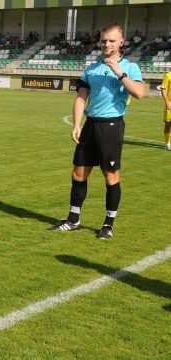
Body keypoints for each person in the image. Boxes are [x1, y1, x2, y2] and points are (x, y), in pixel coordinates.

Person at [49, 24, 145, 239]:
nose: (107, 44)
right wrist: (76, 124)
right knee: (78, 173)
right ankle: (73, 220)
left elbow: (139, 93)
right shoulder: (91, 68)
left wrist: (118, 72)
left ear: (121, 42)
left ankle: (108, 225)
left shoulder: (130, 68)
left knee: (110, 175)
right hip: (90, 125)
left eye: (111, 40)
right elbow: (81, 97)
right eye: (103, 41)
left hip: (111, 125)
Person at [161, 70, 171, 151]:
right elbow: (163, 89)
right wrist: (167, 102)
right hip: (170, 104)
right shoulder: (168, 75)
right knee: (168, 124)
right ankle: (167, 144)